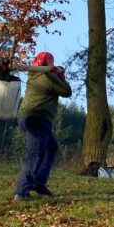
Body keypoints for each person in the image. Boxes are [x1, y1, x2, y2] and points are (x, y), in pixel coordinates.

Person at [14, 51, 72, 201]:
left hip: (29, 117)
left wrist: (56, 73)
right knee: (34, 155)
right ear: (48, 63)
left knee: (51, 147)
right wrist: (59, 75)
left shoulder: (34, 75)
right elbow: (66, 91)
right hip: (37, 118)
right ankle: (21, 193)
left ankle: (38, 182)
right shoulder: (46, 76)